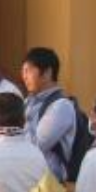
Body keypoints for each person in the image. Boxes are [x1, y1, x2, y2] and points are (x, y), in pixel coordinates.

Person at [21, 46, 80, 181]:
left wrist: (16, 127)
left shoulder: (61, 106)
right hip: (30, 178)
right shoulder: (28, 102)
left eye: (28, 71)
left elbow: (37, 145)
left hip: (50, 184)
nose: (24, 76)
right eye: (23, 71)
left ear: (47, 73)